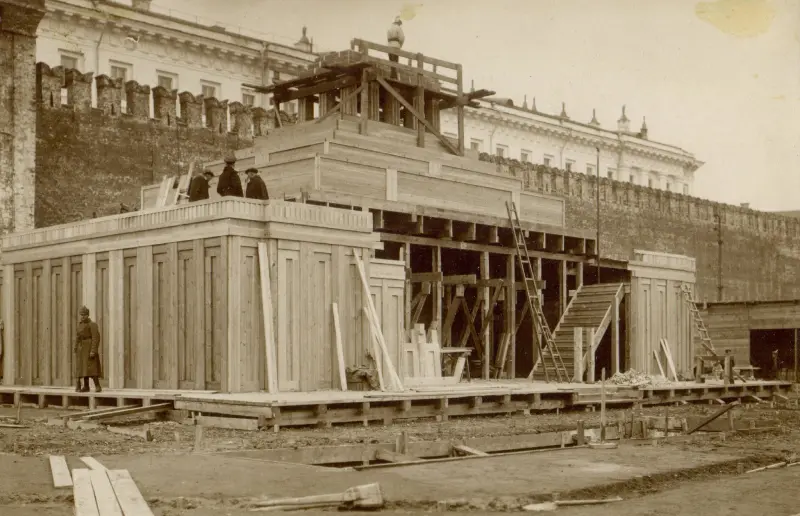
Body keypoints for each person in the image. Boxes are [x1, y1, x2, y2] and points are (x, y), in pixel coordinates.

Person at [75, 306, 102, 393]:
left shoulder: (92, 325)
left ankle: (97, 386)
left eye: (84, 315)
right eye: (81, 315)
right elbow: (78, 337)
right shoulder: (79, 325)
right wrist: (76, 346)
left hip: (89, 347)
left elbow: (96, 338)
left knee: (92, 368)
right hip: (82, 349)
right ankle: (86, 386)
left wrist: (93, 350)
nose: (82, 317)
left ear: (88, 315)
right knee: (83, 368)